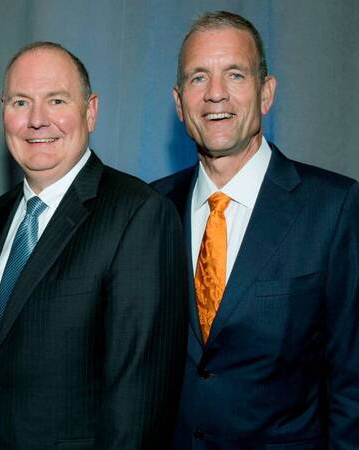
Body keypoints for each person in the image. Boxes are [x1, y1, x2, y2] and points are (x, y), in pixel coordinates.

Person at [151, 10, 359, 449]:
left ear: (266, 94)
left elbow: (351, 382)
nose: (216, 94)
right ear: (178, 101)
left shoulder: (335, 208)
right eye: (198, 78)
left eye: (235, 75)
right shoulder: (150, 210)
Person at [0, 41, 188, 449]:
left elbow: (137, 405)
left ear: (91, 111)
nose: (37, 120)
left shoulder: (137, 214)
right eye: (20, 102)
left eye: (56, 100)